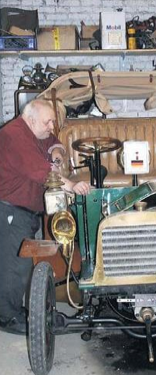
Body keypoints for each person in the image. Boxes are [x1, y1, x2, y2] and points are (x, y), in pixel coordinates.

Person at [0, 99, 90, 335]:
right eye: (47, 121)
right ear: (30, 120)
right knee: (14, 265)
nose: (52, 125)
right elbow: (42, 174)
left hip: (28, 210)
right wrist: (72, 185)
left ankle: (19, 310)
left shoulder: (35, 131)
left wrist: (58, 153)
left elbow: (54, 143)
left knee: (23, 265)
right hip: (11, 209)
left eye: (53, 120)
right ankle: (8, 317)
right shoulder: (14, 136)